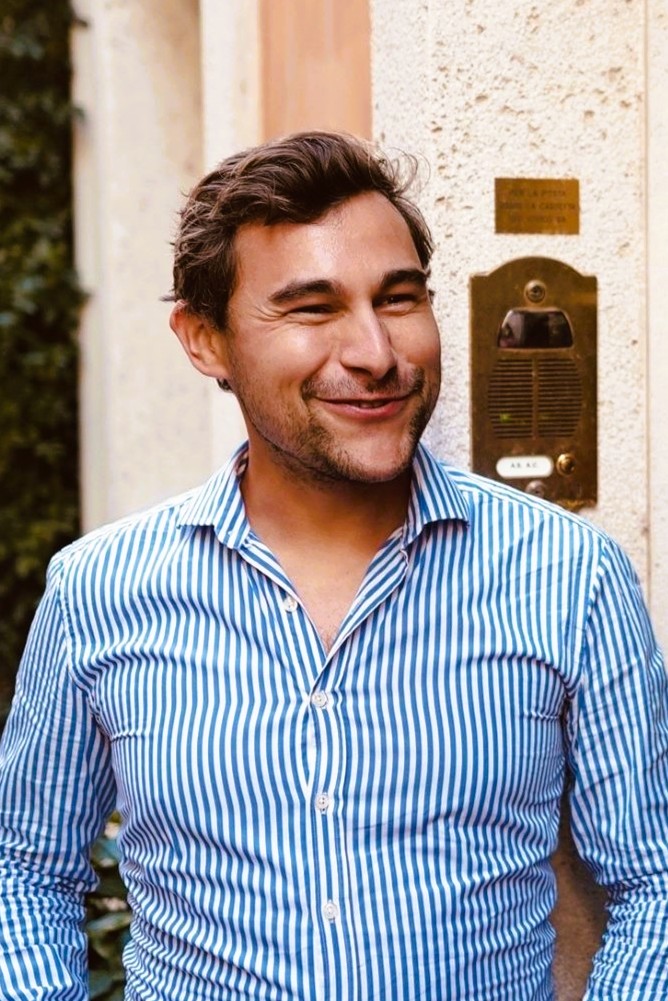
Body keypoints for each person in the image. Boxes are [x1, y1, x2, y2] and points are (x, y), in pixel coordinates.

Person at [1, 130, 667, 1001]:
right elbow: (26, 870)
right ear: (205, 340)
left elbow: (655, 883)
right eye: (312, 309)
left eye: (398, 299)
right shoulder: (101, 592)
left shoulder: (571, 577)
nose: (375, 354)